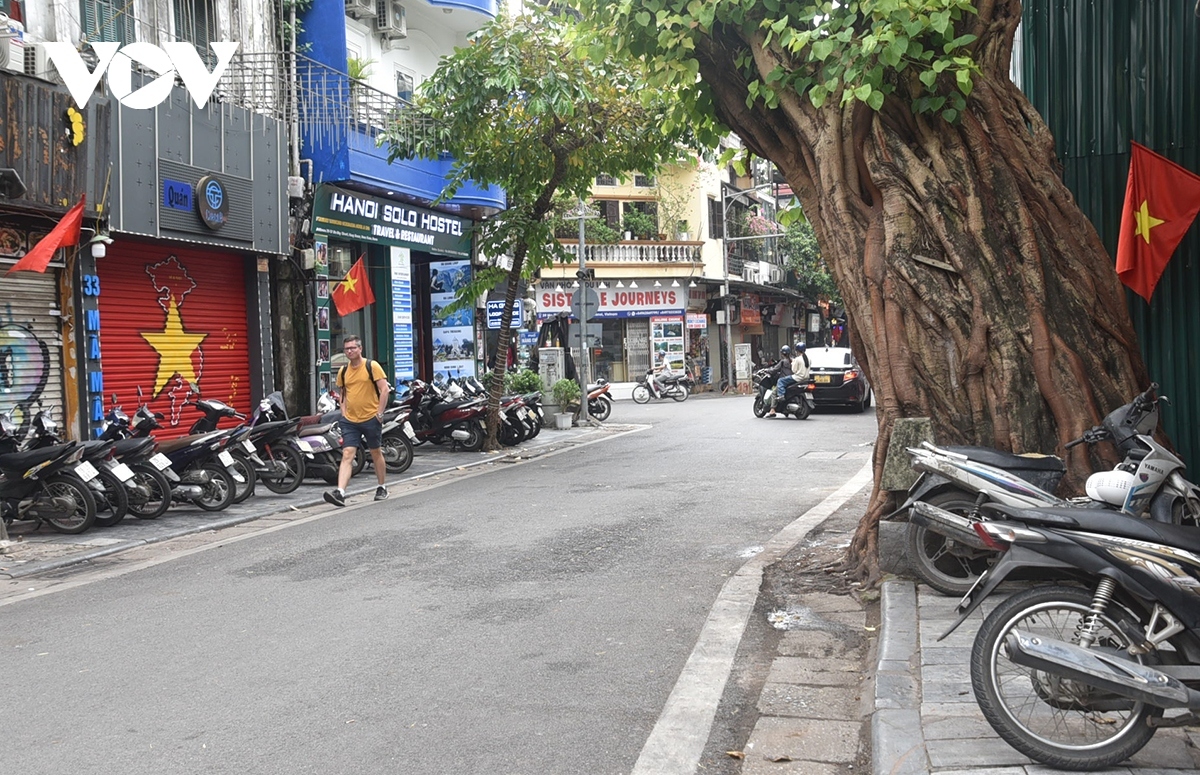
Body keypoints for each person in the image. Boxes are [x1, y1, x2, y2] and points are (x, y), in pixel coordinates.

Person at [324, 335, 391, 507]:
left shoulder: (372, 366)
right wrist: (344, 413)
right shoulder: (343, 371)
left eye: (353, 348)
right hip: (350, 420)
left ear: (360, 349)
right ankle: (340, 492)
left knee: (375, 452)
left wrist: (380, 413)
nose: (349, 351)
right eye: (346, 349)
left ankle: (382, 487)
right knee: (347, 454)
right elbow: (343, 393)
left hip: (371, 418)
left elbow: (384, 390)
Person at [764, 345, 792, 417]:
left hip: (784, 381)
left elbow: (775, 369)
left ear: (782, 354)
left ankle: (772, 410)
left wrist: (767, 370)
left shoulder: (782, 362)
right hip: (792, 380)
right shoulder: (792, 360)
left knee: (774, 392)